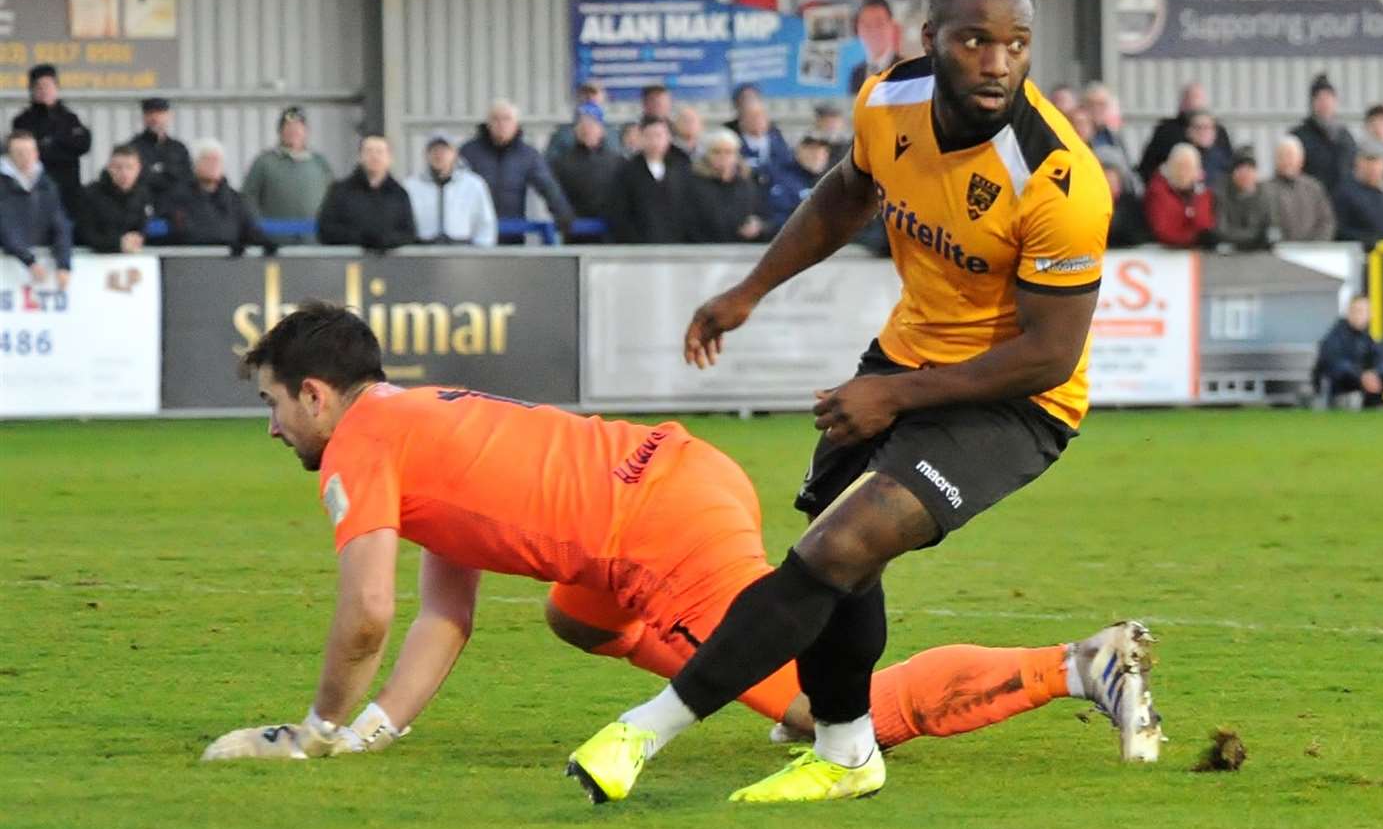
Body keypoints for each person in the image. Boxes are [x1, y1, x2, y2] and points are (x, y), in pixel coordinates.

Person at [568, 0, 1158, 807]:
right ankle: (846, 754)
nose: (997, 61)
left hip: (1014, 402)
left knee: (838, 547)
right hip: (905, 361)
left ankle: (639, 734)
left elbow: (1049, 356)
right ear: (933, 40)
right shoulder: (888, 101)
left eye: (1017, 44)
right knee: (842, 565)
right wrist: (750, 290)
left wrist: (893, 397)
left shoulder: (1059, 181)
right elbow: (846, 197)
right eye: (975, 39)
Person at [202, 303, 1145, 777]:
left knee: (832, 717)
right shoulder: (412, 418)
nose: (273, 426)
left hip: (657, 531)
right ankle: (747, 674)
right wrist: (377, 729)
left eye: (273, 404)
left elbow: (369, 613)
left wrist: (315, 731)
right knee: (574, 612)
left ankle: (1076, 665)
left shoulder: (357, 444)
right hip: (670, 471)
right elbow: (445, 607)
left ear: (316, 394)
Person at [457, 100, 575, 238]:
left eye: (507, 119)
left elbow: (547, 186)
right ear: (488, 123)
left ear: (516, 124)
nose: (501, 124)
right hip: (474, 232)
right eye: (496, 119)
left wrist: (563, 214)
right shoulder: (469, 152)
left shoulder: (528, 155)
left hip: (512, 232)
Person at [160, 139, 272, 255]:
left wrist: (266, 244)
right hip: (191, 262)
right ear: (195, 164)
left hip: (230, 265)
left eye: (217, 160)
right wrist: (226, 241)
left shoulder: (236, 200)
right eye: (207, 159)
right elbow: (185, 232)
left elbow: (251, 229)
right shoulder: (177, 197)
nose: (213, 165)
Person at [10, 64, 91, 216]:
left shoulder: (70, 118)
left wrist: (50, 143)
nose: (44, 90)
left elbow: (84, 145)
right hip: (36, 190)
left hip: (68, 192)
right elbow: (30, 154)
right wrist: (62, 146)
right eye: (39, 87)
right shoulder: (23, 121)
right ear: (32, 90)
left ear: (56, 87)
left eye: (48, 85)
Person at [317, 135, 416, 250]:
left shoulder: (399, 194)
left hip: (390, 264)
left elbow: (408, 234)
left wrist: (386, 241)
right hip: (348, 264)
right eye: (369, 151)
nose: (374, 157)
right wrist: (362, 240)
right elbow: (326, 230)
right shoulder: (340, 191)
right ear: (360, 157)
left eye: (380, 152)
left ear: (390, 158)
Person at [0, 130, 72, 289]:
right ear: (9, 156)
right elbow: (6, 227)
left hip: (39, 261)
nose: (26, 157)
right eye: (19, 153)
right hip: (11, 267)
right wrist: (29, 261)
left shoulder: (47, 185)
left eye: (30, 151)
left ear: (36, 153)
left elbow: (60, 225)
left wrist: (63, 264)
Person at [605, 115, 692, 244]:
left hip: (677, 244)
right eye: (648, 136)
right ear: (640, 138)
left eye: (659, 135)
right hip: (640, 245)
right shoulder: (626, 171)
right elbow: (619, 212)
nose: (654, 141)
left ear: (669, 138)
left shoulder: (682, 168)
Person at [242, 107, 335, 225]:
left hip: (313, 239)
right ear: (280, 131)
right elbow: (248, 200)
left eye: (298, 126)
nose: (294, 131)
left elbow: (333, 199)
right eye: (288, 126)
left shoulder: (320, 163)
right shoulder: (264, 162)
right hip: (274, 239)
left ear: (306, 131)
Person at [404, 133, 497, 247]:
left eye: (444, 151)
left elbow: (485, 223)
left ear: (455, 154)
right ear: (426, 154)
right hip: (423, 249)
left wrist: (482, 253)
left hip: (462, 249)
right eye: (434, 150)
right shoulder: (411, 186)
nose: (439, 155)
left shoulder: (474, 185)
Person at [1137, 81, 1233, 182]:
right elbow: (1148, 167)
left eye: (1199, 98)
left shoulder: (1220, 131)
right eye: (1192, 98)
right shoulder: (1166, 131)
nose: (1196, 103)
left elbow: (1230, 166)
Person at [685, 128, 767, 243]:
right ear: (707, 155)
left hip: (742, 249)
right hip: (704, 250)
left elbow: (761, 215)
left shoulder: (746, 184)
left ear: (736, 156)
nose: (723, 157)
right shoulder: (692, 184)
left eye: (728, 152)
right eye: (717, 152)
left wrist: (757, 226)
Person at [1312, 295, 1383, 409]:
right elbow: (1336, 365)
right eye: (1357, 311)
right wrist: (1361, 376)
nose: (1361, 315)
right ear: (1349, 312)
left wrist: (1376, 374)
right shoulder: (1335, 336)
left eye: (1365, 311)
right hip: (1339, 390)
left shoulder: (1368, 338)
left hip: (1364, 386)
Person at [550, 106, 624, 228]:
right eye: (582, 125)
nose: (586, 130)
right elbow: (555, 195)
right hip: (575, 230)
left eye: (592, 125)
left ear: (601, 129)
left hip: (610, 229)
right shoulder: (562, 163)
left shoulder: (618, 162)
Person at [74, 144, 153, 254]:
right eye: (118, 167)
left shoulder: (143, 195)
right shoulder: (90, 194)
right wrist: (117, 244)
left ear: (138, 169)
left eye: (130, 167)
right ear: (109, 168)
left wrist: (137, 239)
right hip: (94, 261)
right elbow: (85, 233)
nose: (124, 173)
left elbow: (143, 227)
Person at [1290, 73, 1356, 199]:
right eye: (1320, 98)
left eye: (1328, 98)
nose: (1325, 103)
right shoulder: (1299, 137)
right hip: (1309, 201)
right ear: (1312, 103)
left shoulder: (1345, 137)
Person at [1333, 137, 1383, 247]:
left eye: (1378, 161)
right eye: (1368, 161)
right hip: (1362, 258)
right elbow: (1338, 229)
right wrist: (1368, 240)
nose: (1373, 167)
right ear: (1358, 162)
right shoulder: (1345, 192)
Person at [1262, 136, 1335, 242]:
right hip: (1278, 251)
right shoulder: (1264, 189)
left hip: (1312, 252)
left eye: (1291, 156)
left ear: (1301, 159)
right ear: (1276, 159)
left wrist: (1316, 244)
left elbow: (1327, 221)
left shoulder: (1313, 187)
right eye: (1282, 156)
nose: (1287, 160)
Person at [1143, 142, 1215, 248]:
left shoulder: (1203, 194)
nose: (1184, 172)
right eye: (1180, 166)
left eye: (1189, 167)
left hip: (1198, 252)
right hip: (1165, 253)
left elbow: (1206, 225)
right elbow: (1162, 230)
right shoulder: (1158, 192)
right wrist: (1193, 238)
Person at [129, 97, 193, 212]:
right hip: (142, 212)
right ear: (144, 117)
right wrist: (168, 176)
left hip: (176, 212)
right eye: (150, 113)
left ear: (169, 116)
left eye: (159, 113)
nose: (155, 118)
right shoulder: (133, 148)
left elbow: (188, 180)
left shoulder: (178, 148)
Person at [766, 132, 833, 232]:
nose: (817, 155)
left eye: (822, 151)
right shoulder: (780, 177)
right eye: (811, 150)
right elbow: (778, 214)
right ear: (798, 151)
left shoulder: (834, 178)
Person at [1216, 147, 1273, 251]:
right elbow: (1221, 232)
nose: (1245, 173)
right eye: (1240, 168)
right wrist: (1256, 237)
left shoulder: (1266, 195)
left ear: (1256, 172)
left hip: (1259, 255)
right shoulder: (1221, 194)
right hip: (1229, 255)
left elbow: (1272, 231)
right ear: (1233, 173)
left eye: (1250, 168)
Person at [1094, 145, 1148, 248]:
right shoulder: (1086, 206)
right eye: (1105, 180)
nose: (1110, 184)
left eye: (1113, 180)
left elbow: (1138, 236)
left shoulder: (1132, 205)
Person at [733, 95, 791, 190]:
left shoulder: (780, 143)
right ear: (741, 120)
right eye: (751, 116)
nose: (757, 120)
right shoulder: (734, 145)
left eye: (761, 115)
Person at [847, 0, 901, 96]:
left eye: (879, 23)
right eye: (866, 25)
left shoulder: (908, 70)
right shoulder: (856, 73)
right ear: (858, 30)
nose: (873, 31)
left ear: (892, 27)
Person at [543, 82, 608, 163]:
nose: (589, 97)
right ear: (579, 98)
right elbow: (550, 161)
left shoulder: (610, 133)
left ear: (603, 97)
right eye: (586, 94)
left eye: (594, 94)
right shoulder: (563, 134)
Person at [1184, 109, 1232, 191]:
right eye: (1198, 127)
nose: (1202, 132)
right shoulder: (1180, 158)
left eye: (1207, 127)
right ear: (1189, 132)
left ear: (1215, 132)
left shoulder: (1225, 161)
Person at [1082, 81, 1125, 155]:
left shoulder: (1113, 135)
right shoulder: (1078, 133)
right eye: (1091, 104)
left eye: (1101, 104)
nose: (1097, 109)